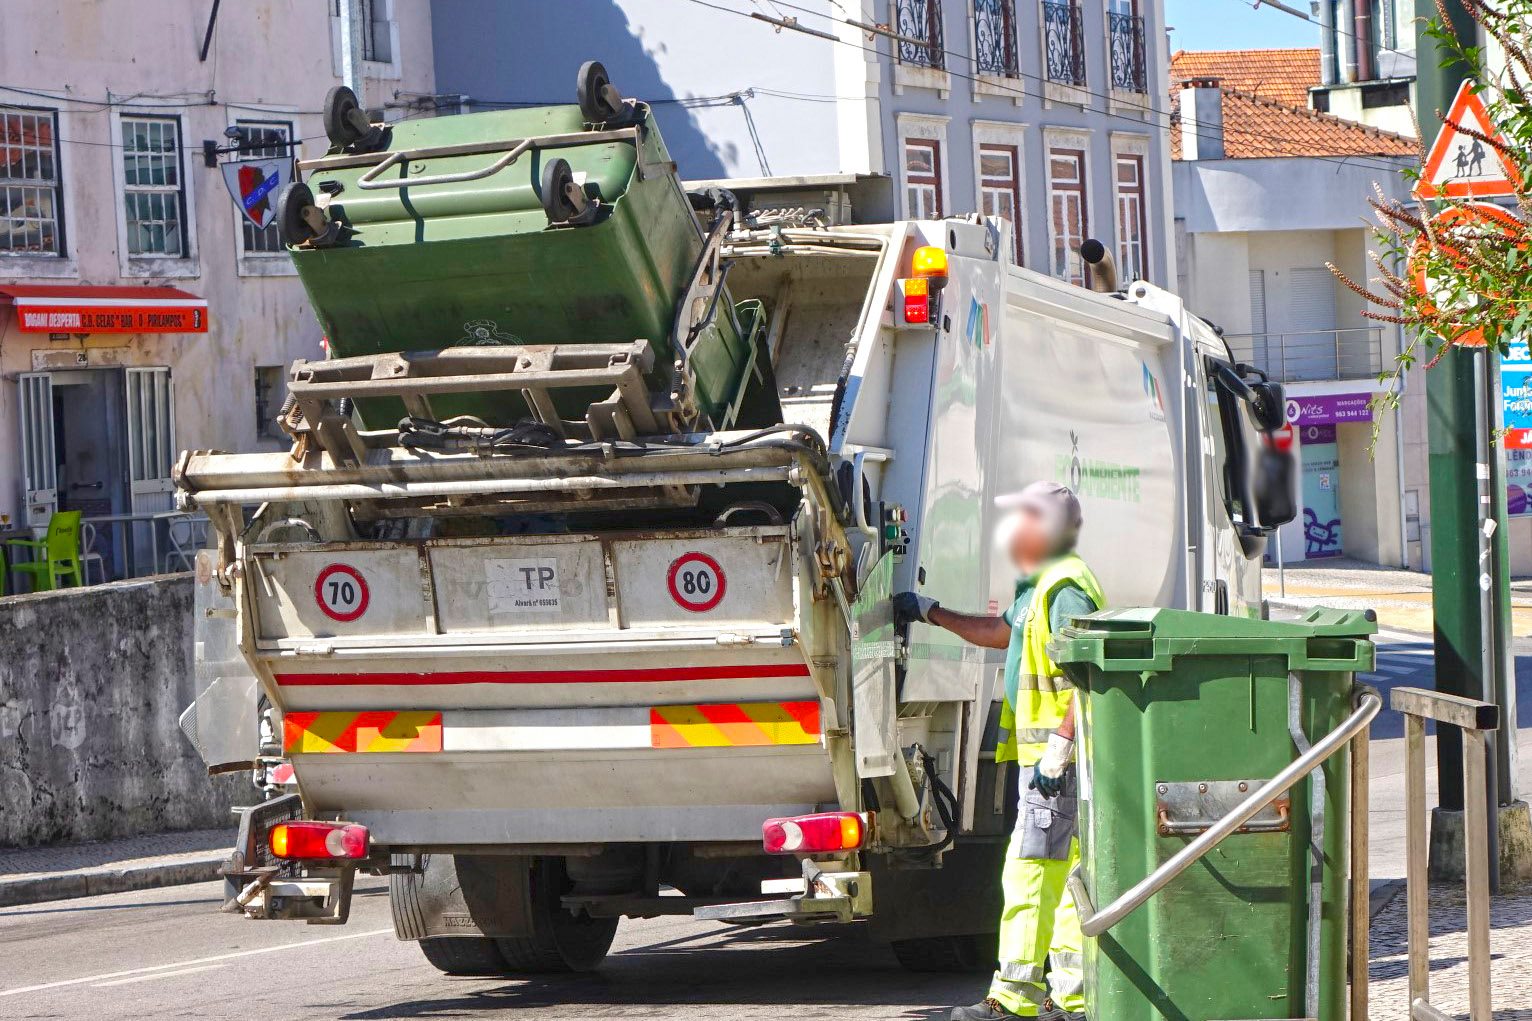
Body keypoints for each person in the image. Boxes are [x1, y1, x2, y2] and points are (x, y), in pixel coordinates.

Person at [894, 481, 1105, 1021]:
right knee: (1060, 876)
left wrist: (1060, 746)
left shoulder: (1064, 591)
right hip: (1049, 764)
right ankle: (1072, 999)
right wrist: (931, 613)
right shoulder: (1038, 588)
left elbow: (1089, 672)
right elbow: (999, 632)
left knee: (1030, 873)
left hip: (1057, 765)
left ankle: (1014, 1001)